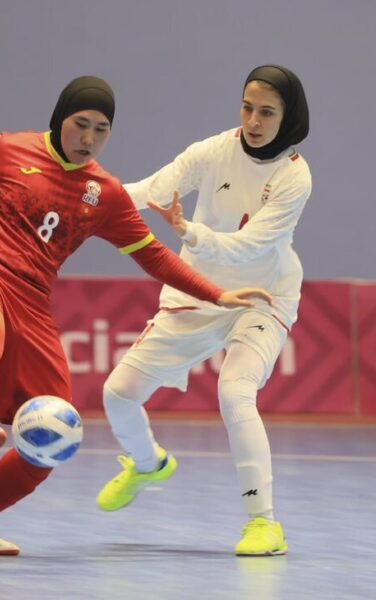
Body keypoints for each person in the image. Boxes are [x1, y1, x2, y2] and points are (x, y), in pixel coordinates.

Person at [0, 75, 270, 557]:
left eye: (102, 129)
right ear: (59, 119)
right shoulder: (4, 150)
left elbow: (154, 256)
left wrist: (217, 294)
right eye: (80, 124)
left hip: (32, 301)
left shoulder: (105, 194)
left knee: (55, 431)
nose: (89, 138)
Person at [96, 65, 311, 557]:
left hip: (263, 295)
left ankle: (263, 524)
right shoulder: (213, 150)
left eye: (267, 112)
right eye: (247, 107)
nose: (253, 120)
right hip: (199, 291)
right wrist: (87, 196)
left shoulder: (294, 176)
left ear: (289, 116)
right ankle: (147, 464)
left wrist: (190, 233)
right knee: (119, 394)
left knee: (235, 390)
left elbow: (250, 244)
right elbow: (154, 187)